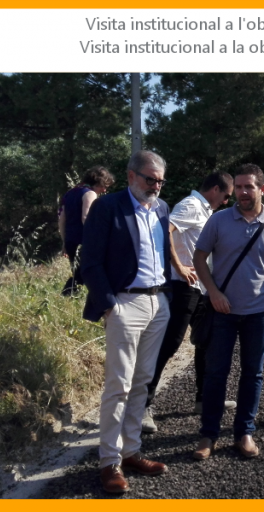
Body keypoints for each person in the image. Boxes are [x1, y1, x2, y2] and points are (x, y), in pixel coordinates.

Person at [79, 150, 172, 494]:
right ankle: (109, 462)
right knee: (118, 384)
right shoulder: (108, 207)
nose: (156, 186)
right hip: (125, 303)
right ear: (131, 176)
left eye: (161, 180)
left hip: (157, 302)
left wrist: (166, 299)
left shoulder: (161, 208)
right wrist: (109, 306)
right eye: (150, 179)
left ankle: (131, 451)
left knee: (143, 381)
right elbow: (90, 261)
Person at [191, 163, 264, 460]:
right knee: (215, 374)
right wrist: (213, 292)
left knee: (253, 374)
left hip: (259, 313)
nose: (242, 192)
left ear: (262, 189)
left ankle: (244, 432)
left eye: (248, 187)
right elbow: (199, 259)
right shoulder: (219, 221)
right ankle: (208, 435)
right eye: (238, 187)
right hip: (221, 312)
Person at [141, 171, 236, 434]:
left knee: (205, 342)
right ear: (215, 189)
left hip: (200, 288)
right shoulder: (191, 206)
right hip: (183, 287)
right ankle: (142, 407)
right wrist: (179, 266)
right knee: (168, 345)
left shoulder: (205, 210)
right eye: (226, 195)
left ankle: (203, 400)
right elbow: (165, 231)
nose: (227, 201)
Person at [58, 166, 115, 296]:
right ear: (97, 181)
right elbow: (87, 218)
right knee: (87, 273)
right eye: (103, 185)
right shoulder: (90, 193)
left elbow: (62, 220)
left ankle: (71, 299)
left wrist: (64, 242)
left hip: (71, 241)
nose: (105, 190)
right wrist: (100, 239)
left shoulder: (70, 193)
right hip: (85, 241)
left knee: (79, 273)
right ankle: (67, 297)